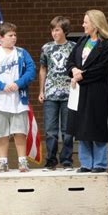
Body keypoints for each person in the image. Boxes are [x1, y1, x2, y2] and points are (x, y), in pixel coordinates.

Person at [0, 22, 36, 173]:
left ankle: (22, 161)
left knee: (20, 131)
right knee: (1, 132)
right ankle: (3, 161)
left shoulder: (22, 53)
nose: (14, 38)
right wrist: (1, 85)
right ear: (0, 37)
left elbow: (31, 71)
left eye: (15, 35)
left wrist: (19, 83)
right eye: (10, 35)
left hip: (19, 100)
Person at [66, 9, 108, 173]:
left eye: (86, 22)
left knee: (96, 125)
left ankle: (99, 164)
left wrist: (81, 75)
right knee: (82, 126)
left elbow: (101, 69)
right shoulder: (82, 41)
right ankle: (86, 163)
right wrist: (73, 70)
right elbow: (71, 60)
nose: (83, 24)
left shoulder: (106, 44)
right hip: (80, 91)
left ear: (95, 24)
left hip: (96, 91)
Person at [38, 16, 76, 171]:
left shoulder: (73, 47)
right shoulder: (46, 48)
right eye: (53, 30)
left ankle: (66, 160)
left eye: (57, 30)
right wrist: (41, 90)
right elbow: (43, 69)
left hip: (69, 93)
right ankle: (51, 161)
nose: (54, 33)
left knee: (68, 130)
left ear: (64, 31)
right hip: (51, 94)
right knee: (50, 130)